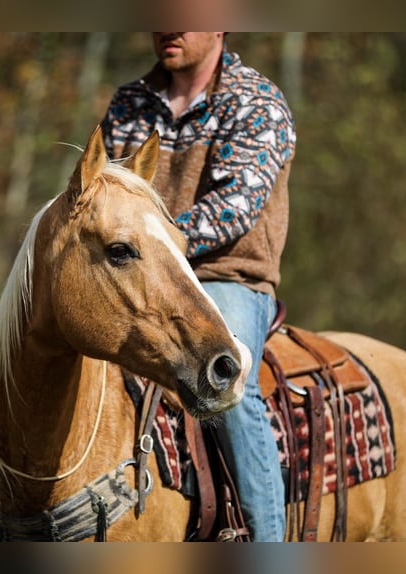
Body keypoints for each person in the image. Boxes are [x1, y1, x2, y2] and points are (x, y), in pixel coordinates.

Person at [101, 32, 296, 542]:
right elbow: (101, 195)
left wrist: (150, 239)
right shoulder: (129, 103)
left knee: (227, 382)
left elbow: (234, 208)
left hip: (226, 275)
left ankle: (268, 541)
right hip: (136, 276)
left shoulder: (256, 101)